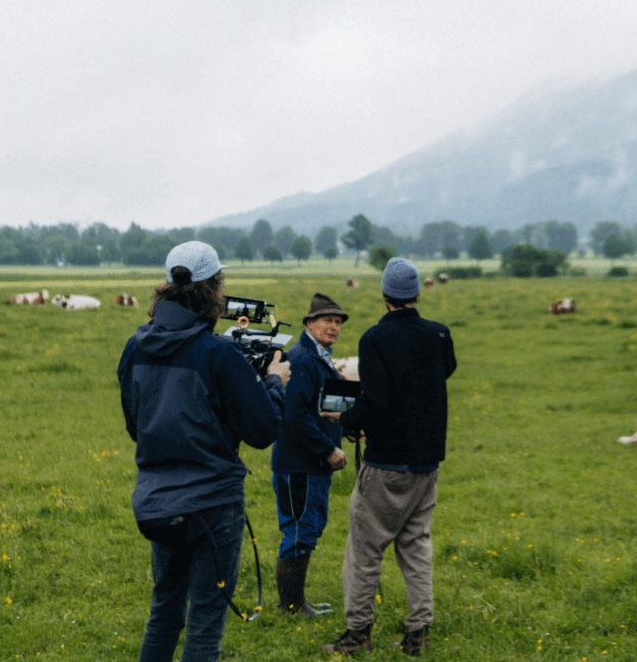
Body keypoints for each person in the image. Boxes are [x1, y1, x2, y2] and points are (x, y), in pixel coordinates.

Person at [118, 241, 291, 662]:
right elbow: (263, 430)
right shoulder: (219, 352)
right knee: (205, 623)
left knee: (163, 615)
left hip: (156, 501)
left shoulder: (134, 348)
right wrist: (272, 382)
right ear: (216, 288)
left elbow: (136, 425)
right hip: (212, 505)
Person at [321, 258, 456, 657]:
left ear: (385, 295)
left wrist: (346, 419)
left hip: (386, 463)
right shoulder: (439, 334)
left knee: (364, 550)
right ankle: (418, 633)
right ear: (416, 293)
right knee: (416, 546)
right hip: (428, 462)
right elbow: (443, 370)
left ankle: (358, 633)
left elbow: (376, 400)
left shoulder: (375, 338)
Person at [271, 293, 350, 616]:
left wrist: (349, 426)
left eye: (338, 322)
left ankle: (297, 602)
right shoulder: (303, 358)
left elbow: (325, 407)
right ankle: (291, 606)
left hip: (309, 464)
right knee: (300, 530)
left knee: (308, 527)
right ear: (309, 324)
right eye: (327, 321)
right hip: (300, 464)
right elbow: (295, 416)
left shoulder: (321, 356)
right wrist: (328, 448)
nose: (334, 327)